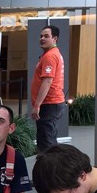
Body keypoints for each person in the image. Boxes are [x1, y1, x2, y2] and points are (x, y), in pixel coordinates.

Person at [31, 25, 65, 154]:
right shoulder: (52, 54)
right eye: (41, 36)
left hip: (49, 104)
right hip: (53, 103)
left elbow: (48, 80)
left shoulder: (50, 56)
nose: (42, 38)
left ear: (55, 38)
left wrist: (37, 105)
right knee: (49, 139)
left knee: (46, 143)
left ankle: (49, 171)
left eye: (46, 36)